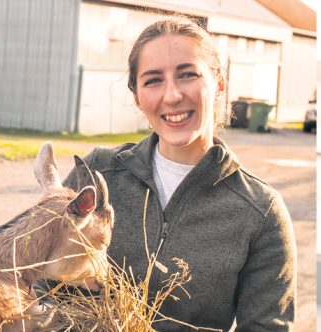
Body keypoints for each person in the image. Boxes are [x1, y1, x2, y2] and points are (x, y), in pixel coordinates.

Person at [63, 17, 297, 331]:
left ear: (219, 83)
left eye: (187, 74)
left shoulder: (260, 211)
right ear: (137, 97)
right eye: (153, 80)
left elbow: (266, 326)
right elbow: (33, 278)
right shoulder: (97, 175)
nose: (172, 95)